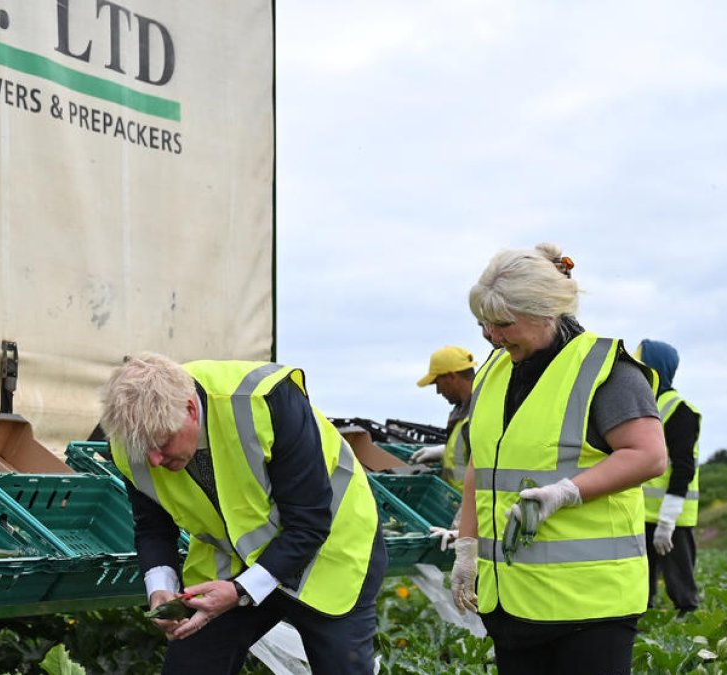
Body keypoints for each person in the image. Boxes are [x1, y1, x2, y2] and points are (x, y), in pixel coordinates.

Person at [450, 243, 667, 675]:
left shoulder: (609, 372)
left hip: (588, 608)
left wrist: (566, 492)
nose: (492, 337)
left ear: (546, 311)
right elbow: (484, 462)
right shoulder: (496, 371)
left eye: (502, 324)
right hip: (512, 603)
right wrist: (467, 546)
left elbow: (648, 455)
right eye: (483, 324)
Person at [99, 352, 386, 675]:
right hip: (231, 561)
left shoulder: (266, 400)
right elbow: (153, 529)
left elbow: (309, 523)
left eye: (162, 442)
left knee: (343, 669)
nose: (153, 460)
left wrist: (240, 591)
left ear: (191, 409)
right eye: (143, 449)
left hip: (330, 553)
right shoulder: (133, 441)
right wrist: (160, 590)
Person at [637, 339, 701, 614]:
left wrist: (667, 519)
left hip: (670, 516)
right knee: (641, 581)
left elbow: (684, 467)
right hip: (641, 514)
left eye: (642, 362)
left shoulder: (680, 410)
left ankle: (691, 627)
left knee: (680, 583)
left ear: (656, 367)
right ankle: (646, 626)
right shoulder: (644, 404)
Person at [412, 345, 478, 491]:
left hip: (472, 509)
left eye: (437, 383)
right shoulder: (462, 414)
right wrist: (444, 452)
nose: (438, 391)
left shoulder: (479, 415)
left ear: (451, 376)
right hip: (456, 506)